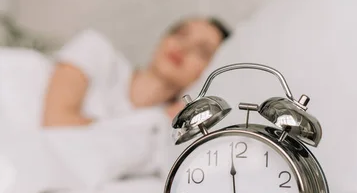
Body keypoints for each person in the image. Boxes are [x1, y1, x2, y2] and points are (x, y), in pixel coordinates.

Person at [42, 17, 231, 127]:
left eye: (201, 51)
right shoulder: (96, 49)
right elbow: (55, 123)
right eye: (181, 34)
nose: (184, 47)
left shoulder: (162, 126)